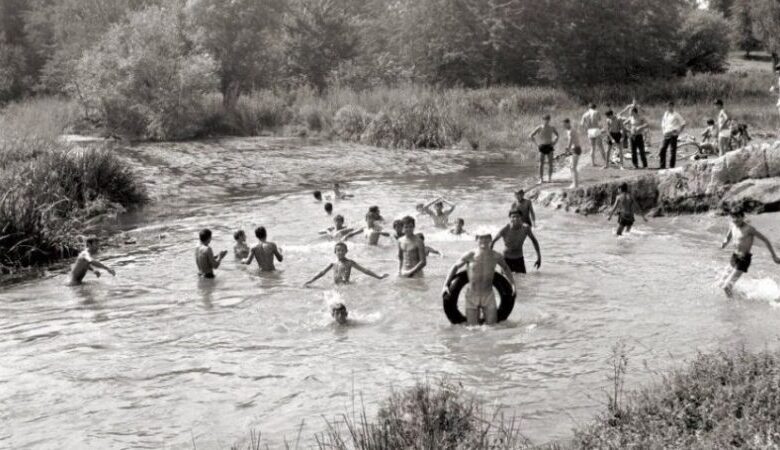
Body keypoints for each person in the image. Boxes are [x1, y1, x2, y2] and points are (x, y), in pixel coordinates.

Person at [442, 231, 515, 326]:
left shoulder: (496, 255)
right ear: (477, 239)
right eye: (481, 238)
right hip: (472, 296)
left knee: (492, 328)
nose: (483, 240)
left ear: (490, 239)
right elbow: (455, 266)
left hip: (488, 295)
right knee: (473, 329)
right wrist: (445, 285)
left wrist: (513, 284)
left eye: (486, 238)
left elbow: (505, 268)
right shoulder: (470, 255)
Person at [719, 208, 780, 296]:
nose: (735, 219)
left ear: (743, 217)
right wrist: (724, 243)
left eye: (738, 217)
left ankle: (733, 307)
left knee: (726, 287)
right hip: (734, 257)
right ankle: (742, 296)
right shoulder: (732, 226)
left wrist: (774, 256)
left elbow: (766, 240)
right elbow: (728, 236)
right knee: (721, 283)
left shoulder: (749, 229)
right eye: (733, 217)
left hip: (743, 260)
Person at [304, 242, 389, 286]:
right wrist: (311, 281)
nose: (340, 252)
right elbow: (322, 273)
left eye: (342, 250)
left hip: (346, 286)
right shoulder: (333, 263)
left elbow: (364, 270)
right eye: (338, 250)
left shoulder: (349, 262)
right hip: (336, 286)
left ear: (346, 251)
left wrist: (379, 277)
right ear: (335, 252)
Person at [529, 114, 559, 183]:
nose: (546, 121)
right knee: (541, 164)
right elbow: (531, 135)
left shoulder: (552, 127)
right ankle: (541, 179)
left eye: (548, 119)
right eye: (545, 119)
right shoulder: (539, 127)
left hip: (550, 146)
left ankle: (549, 179)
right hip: (542, 146)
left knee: (550, 163)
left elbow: (557, 135)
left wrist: (554, 142)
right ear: (543, 120)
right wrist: (537, 145)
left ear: (549, 120)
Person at [659, 102, 686, 169]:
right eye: (668, 106)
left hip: (673, 133)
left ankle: (671, 166)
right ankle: (662, 166)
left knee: (672, 150)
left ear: (673, 106)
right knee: (662, 149)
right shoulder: (666, 114)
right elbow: (663, 123)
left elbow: (683, 123)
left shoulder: (676, 114)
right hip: (666, 133)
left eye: (671, 106)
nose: (669, 108)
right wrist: (663, 131)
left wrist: (679, 132)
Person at [581, 103, 606, 168]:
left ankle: (593, 163)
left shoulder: (585, 114)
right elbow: (600, 123)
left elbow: (582, 124)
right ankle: (605, 162)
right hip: (596, 129)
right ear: (595, 107)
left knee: (592, 147)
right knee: (601, 147)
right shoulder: (596, 112)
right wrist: (602, 129)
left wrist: (586, 129)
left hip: (590, 130)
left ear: (589, 107)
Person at [562, 118, 582, 188]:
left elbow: (570, 141)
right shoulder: (569, 130)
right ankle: (574, 183)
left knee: (573, 167)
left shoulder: (571, 131)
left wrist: (567, 149)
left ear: (568, 123)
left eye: (565, 124)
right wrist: (568, 149)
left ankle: (575, 184)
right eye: (563, 125)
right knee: (571, 167)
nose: (564, 126)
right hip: (574, 149)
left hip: (576, 149)